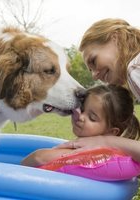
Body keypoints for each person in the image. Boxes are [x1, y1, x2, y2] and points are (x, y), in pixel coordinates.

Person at [56, 18, 140, 162]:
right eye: (90, 70)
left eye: (93, 61)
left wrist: (105, 141)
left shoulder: (135, 70)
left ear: (116, 38)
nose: (95, 76)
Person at [21, 84, 140, 167]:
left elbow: (38, 158)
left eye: (92, 118)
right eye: (82, 109)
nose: (81, 116)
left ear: (112, 132)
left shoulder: (100, 154)